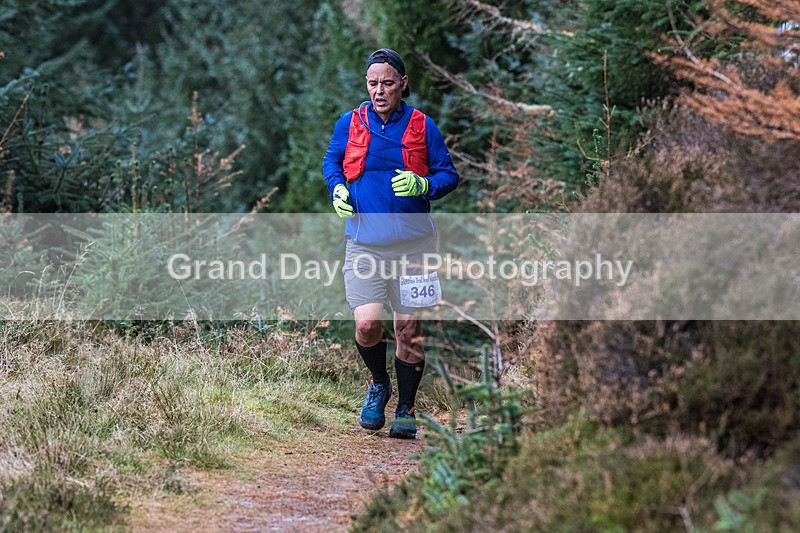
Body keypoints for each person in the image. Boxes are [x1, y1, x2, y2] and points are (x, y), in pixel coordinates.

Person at [322, 48, 459, 439]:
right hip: (364, 243)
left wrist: (425, 185)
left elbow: (449, 175)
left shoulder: (422, 125)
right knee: (367, 325)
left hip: (415, 245)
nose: (379, 90)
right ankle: (379, 384)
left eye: (386, 83)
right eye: (372, 83)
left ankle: (407, 407)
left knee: (408, 330)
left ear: (402, 84)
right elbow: (332, 162)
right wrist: (337, 190)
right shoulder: (350, 122)